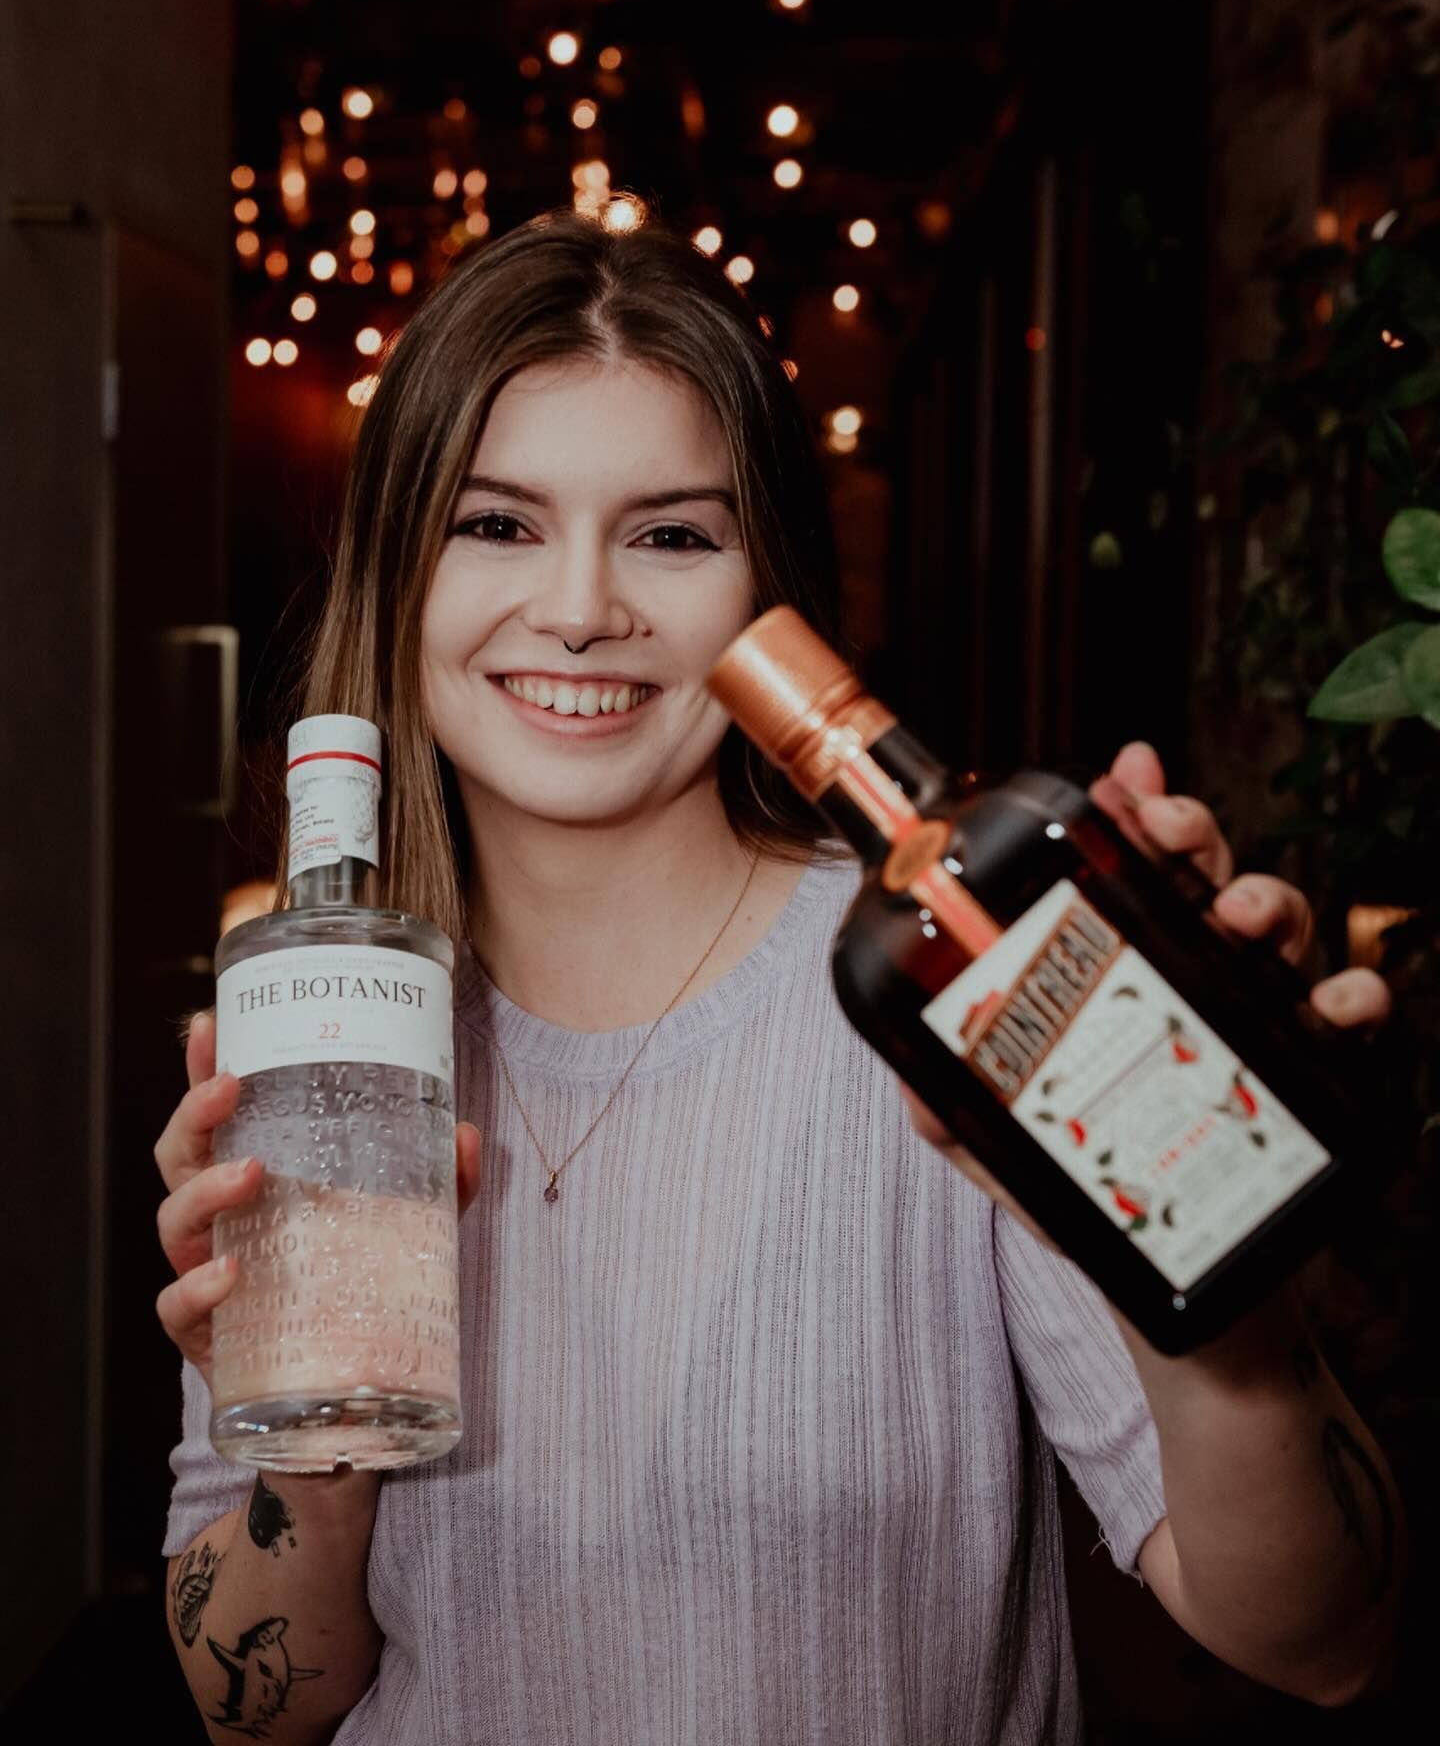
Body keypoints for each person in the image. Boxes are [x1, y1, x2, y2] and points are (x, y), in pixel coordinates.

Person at [155, 207, 1403, 1746]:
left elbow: (1325, 1644)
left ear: (770, 603)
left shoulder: (957, 997)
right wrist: (315, 1433)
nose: (579, 608)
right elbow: (250, 1709)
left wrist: (1227, 1293)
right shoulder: (317, 1029)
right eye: (497, 523)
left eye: (672, 534)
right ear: (395, 570)